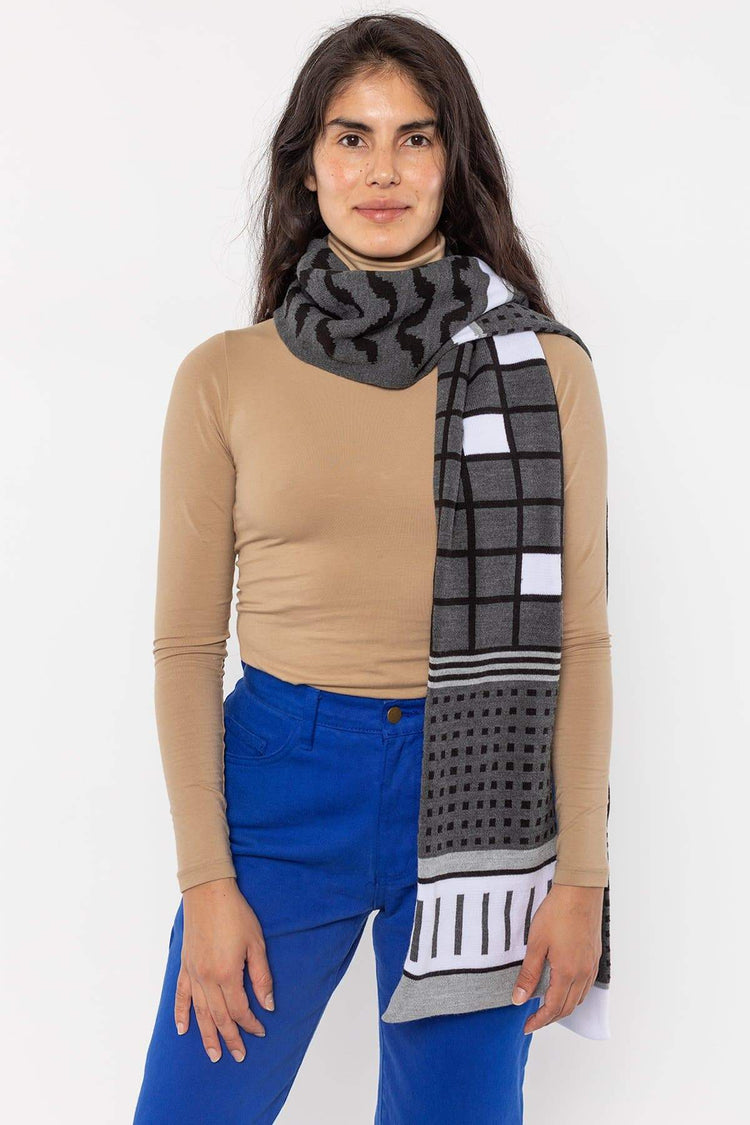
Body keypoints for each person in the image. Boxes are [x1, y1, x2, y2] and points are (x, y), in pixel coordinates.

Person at [133, 13, 612, 1124]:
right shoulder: (225, 376)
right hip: (280, 787)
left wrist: (582, 877)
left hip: (483, 790)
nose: (382, 170)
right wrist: (207, 882)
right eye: (351, 138)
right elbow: (185, 645)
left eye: (415, 137)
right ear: (308, 164)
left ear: (454, 160)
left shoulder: (543, 369)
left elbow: (581, 636)